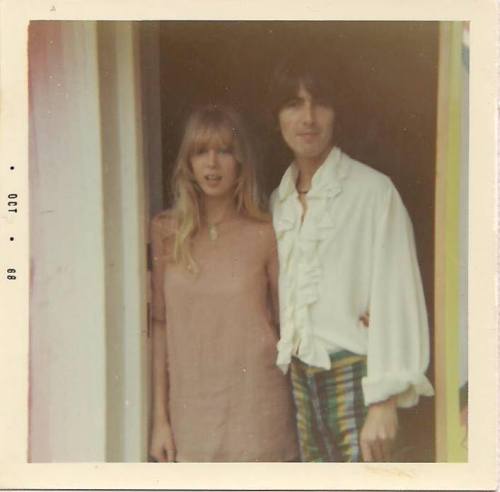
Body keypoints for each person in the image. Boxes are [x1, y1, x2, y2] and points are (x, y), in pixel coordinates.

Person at [268, 56, 434, 462]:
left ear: (336, 112)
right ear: (277, 117)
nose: (308, 117)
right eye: (293, 104)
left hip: (359, 384)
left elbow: (396, 295)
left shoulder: (373, 191)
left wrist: (384, 400)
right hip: (299, 390)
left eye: (319, 103)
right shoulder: (278, 201)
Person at [149, 104, 298, 462]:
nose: (212, 164)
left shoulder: (266, 233)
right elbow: (160, 328)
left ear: (241, 162)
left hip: (258, 411)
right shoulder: (166, 232)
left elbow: (291, 324)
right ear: (188, 162)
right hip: (191, 416)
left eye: (224, 151)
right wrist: (160, 421)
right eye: (201, 152)